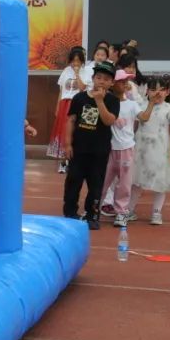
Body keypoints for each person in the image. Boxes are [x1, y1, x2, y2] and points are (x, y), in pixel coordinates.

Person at [62, 61, 119, 230]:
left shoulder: (112, 100)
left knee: (96, 184)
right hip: (79, 149)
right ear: (92, 78)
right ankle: (70, 212)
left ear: (111, 83)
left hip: (99, 151)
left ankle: (92, 215)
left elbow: (109, 121)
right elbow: (71, 120)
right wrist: (67, 144)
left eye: (106, 79)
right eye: (98, 77)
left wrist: (100, 101)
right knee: (73, 181)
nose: (101, 81)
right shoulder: (79, 98)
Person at [130, 76, 170, 225]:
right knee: (135, 180)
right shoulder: (140, 105)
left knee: (160, 181)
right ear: (147, 91)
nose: (157, 93)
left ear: (168, 92)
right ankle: (130, 210)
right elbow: (133, 126)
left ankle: (156, 212)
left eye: (162, 89)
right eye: (153, 90)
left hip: (161, 149)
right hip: (140, 148)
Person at [100, 70, 139, 228]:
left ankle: (121, 213)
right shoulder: (105, 102)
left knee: (124, 183)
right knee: (101, 180)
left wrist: (151, 103)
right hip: (107, 149)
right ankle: (93, 208)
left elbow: (142, 118)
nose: (125, 84)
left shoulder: (132, 104)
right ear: (112, 84)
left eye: (126, 81)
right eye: (121, 81)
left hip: (126, 149)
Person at [46, 47, 92, 173]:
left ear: (82, 61)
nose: (75, 63)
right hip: (65, 104)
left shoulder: (86, 72)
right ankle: (62, 162)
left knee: (75, 132)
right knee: (62, 132)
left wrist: (77, 74)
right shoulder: (66, 71)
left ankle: (73, 161)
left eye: (78, 61)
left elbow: (82, 88)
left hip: (77, 103)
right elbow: (61, 90)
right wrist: (57, 107)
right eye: (73, 61)